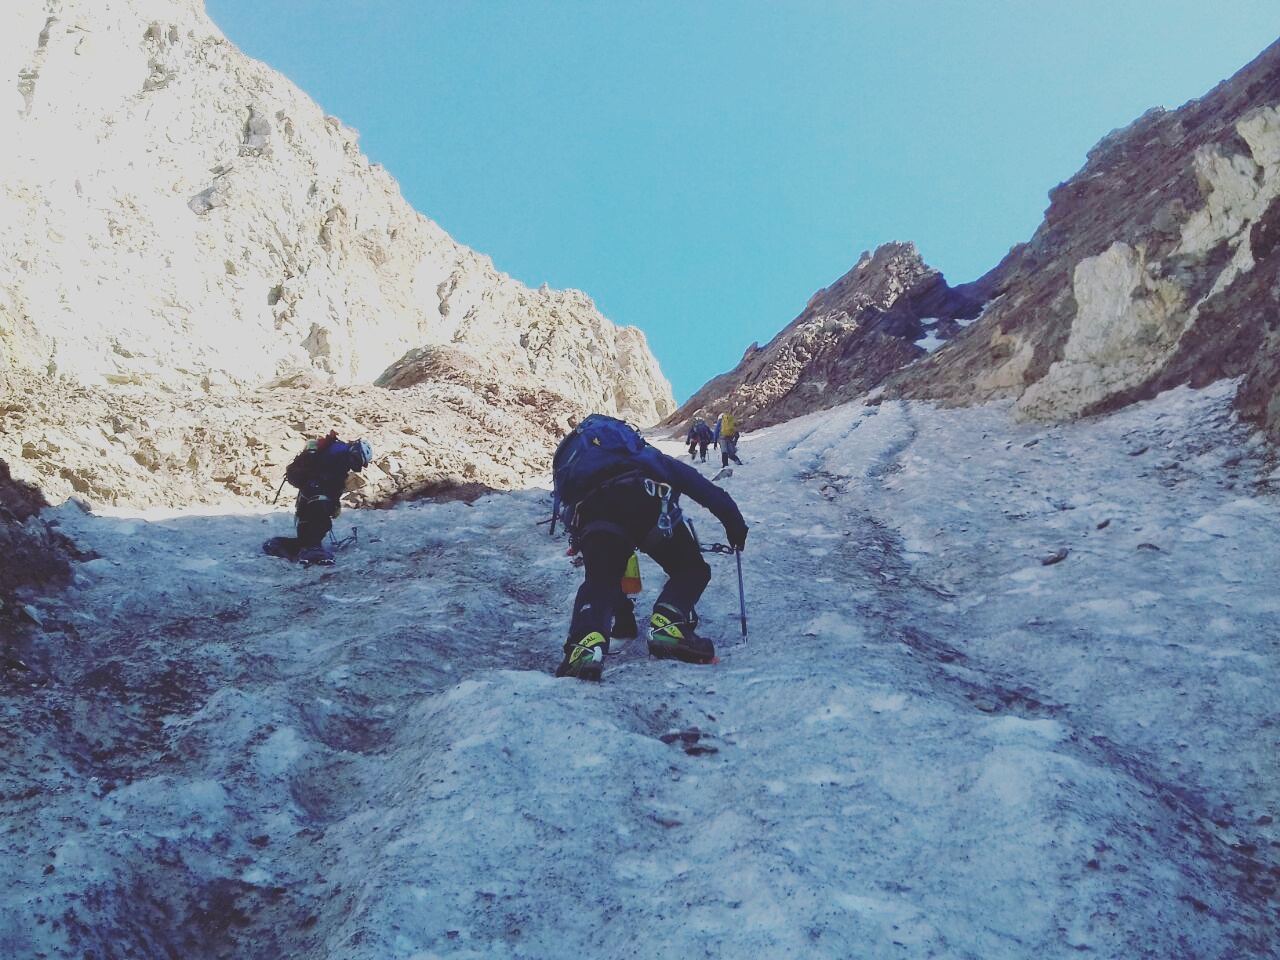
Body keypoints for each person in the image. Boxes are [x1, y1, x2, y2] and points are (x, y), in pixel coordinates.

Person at [551, 414, 748, 681]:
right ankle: (668, 621)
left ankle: (586, 646)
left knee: (601, 579)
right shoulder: (642, 453)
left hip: (595, 514)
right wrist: (734, 525)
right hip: (648, 505)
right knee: (691, 569)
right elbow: (700, 487)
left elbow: (567, 507)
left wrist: (581, 540)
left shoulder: (581, 465)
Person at [264, 431, 373, 565]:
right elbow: (332, 481)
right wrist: (334, 503)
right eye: (356, 462)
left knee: (308, 518)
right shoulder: (339, 455)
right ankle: (311, 549)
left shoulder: (338, 451)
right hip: (314, 488)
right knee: (321, 516)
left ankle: (290, 545)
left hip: (309, 488)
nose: (354, 466)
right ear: (354, 452)